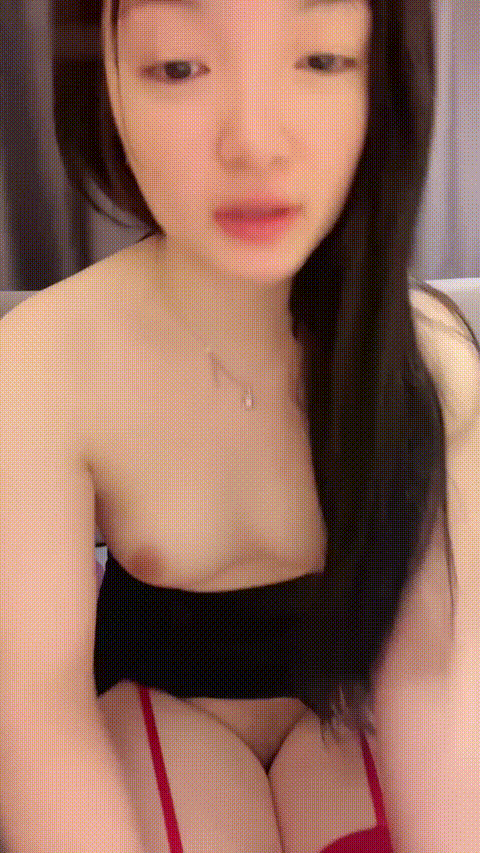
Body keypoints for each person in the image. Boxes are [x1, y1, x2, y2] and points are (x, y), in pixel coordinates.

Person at [1, 1, 479, 852]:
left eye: (321, 60)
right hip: (159, 704)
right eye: (179, 67)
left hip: (356, 699)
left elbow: (436, 674)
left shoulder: (430, 358)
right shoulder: (42, 361)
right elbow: (36, 708)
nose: (254, 143)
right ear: (105, 82)